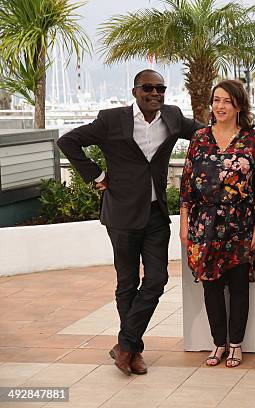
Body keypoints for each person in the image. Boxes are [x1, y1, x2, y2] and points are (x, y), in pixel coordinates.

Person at [57, 69, 201, 375]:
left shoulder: (173, 117)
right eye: (148, 87)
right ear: (135, 91)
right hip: (121, 213)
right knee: (126, 282)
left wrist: (241, 129)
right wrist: (96, 176)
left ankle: (125, 343)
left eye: (160, 88)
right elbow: (69, 142)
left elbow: (205, 134)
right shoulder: (112, 120)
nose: (155, 93)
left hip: (155, 214)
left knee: (157, 279)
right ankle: (133, 351)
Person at [179, 80, 255, 368]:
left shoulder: (254, 140)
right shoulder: (199, 138)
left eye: (226, 101)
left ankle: (236, 345)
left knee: (239, 286)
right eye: (216, 100)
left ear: (239, 105)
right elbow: (186, 186)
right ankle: (218, 344)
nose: (219, 106)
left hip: (240, 223)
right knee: (211, 287)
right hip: (203, 222)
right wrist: (184, 224)